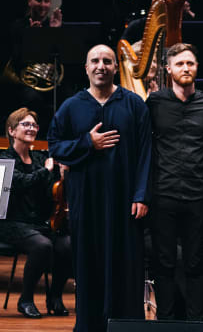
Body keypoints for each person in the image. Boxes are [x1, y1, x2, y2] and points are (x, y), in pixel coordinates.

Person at [47, 44, 152, 332]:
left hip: (125, 200)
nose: (101, 66)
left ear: (116, 67)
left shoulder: (134, 104)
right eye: (95, 60)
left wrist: (141, 194)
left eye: (107, 61)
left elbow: (146, 153)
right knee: (89, 264)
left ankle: (126, 326)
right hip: (87, 200)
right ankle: (89, 326)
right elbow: (55, 146)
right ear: (86, 67)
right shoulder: (72, 106)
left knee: (126, 267)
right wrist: (87, 144)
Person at [146, 43, 203, 320]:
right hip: (163, 193)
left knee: (195, 262)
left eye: (190, 63)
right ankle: (166, 321)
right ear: (168, 69)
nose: (185, 68)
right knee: (163, 263)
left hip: (198, 194)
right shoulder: (155, 102)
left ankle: (196, 322)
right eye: (179, 64)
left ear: (197, 67)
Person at [0, 108, 72, 319]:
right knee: (42, 245)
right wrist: (46, 171)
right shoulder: (5, 158)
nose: (31, 128)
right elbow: (20, 183)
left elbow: (50, 191)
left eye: (34, 125)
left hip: (37, 223)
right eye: (25, 124)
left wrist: (61, 173)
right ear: (12, 131)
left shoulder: (41, 159)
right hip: (11, 223)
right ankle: (26, 299)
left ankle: (55, 297)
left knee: (68, 244)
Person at [5, 0, 63, 138]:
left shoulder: (51, 26)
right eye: (38, 0)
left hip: (46, 83)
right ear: (30, 1)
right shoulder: (17, 26)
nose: (43, 5)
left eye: (46, 1)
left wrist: (54, 33)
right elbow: (17, 60)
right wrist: (30, 37)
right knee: (32, 98)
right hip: (22, 83)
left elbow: (59, 60)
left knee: (68, 95)